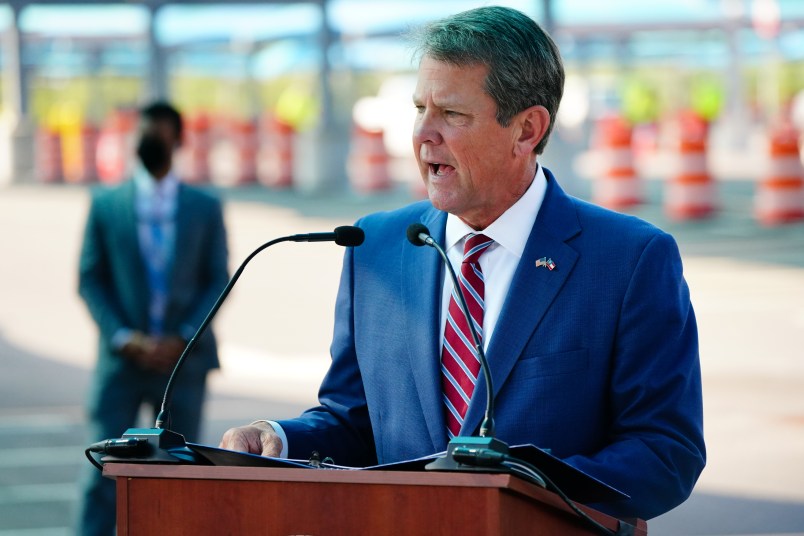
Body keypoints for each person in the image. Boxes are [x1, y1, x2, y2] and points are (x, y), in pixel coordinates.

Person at [220, 6, 705, 521]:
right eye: (419, 109)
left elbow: (665, 451)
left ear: (526, 130)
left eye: (452, 114)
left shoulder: (629, 259)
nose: (424, 134)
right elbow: (355, 422)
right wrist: (280, 438)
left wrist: (526, 489)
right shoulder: (376, 247)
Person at [75, 101, 229, 535]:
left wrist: (183, 336)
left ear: (179, 140)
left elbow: (217, 279)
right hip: (123, 362)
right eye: (143, 133)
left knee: (179, 475)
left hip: (183, 363)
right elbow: (90, 278)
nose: (149, 141)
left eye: (158, 133)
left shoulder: (203, 206)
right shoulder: (106, 204)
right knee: (103, 475)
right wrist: (125, 336)